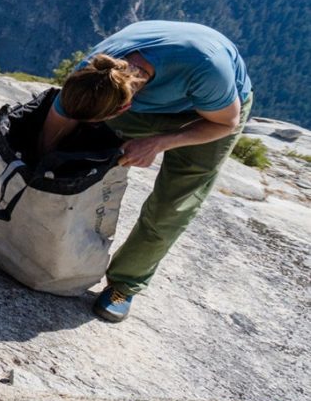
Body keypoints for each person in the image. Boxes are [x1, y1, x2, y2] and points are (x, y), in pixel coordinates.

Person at [38, 20, 253, 323]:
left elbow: (226, 123)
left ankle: (124, 284)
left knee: (173, 203)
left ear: (123, 110)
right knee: (73, 150)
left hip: (212, 115)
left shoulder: (208, 69)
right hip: (145, 99)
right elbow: (59, 121)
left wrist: (160, 142)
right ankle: (50, 244)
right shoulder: (94, 71)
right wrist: (42, 168)